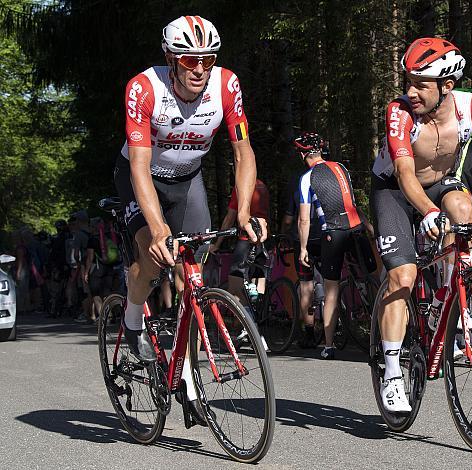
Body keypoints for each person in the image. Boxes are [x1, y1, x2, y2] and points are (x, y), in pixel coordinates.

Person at [113, 16, 266, 421]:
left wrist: (245, 209)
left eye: (207, 59)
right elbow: (140, 165)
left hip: (188, 180)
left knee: (193, 278)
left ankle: (187, 375)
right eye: (189, 60)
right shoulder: (144, 88)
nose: (200, 68)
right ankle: (132, 320)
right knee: (152, 256)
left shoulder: (225, 84)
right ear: (171, 59)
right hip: (141, 179)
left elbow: (243, 153)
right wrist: (158, 226)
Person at [370, 38, 472, 413]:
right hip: (394, 189)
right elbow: (404, 171)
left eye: (420, 84)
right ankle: (393, 371)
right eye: (407, 81)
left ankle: (452, 297)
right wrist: (428, 212)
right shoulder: (400, 112)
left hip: (441, 182)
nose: (410, 91)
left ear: (447, 86)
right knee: (404, 277)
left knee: (463, 206)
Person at [296, 132, 376, 360]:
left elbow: (304, 219)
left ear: (303, 154)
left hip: (333, 232)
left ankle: (329, 346)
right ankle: (389, 329)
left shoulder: (306, 178)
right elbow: (351, 201)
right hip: (357, 228)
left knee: (331, 290)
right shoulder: (341, 167)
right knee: (375, 280)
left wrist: (303, 248)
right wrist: (369, 227)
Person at [209, 177, 270, 350]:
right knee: (258, 285)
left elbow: (230, 217)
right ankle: (258, 326)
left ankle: (250, 329)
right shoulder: (262, 186)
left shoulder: (243, 187)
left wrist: (217, 243)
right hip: (263, 239)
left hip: (246, 239)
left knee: (235, 287)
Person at [281, 167, 324, 349]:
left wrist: (283, 234)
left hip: (304, 238)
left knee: (306, 286)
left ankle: (309, 333)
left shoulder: (299, 185)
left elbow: (290, 219)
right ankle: (332, 327)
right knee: (331, 283)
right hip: (325, 236)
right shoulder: (328, 183)